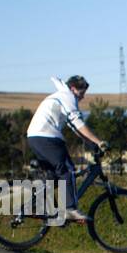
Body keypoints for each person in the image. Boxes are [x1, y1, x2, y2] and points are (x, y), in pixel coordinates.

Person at [26, 75, 107, 222]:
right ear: (73, 89)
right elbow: (78, 123)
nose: (82, 97)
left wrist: (90, 143)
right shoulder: (68, 97)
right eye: (81, 93)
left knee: (53, 177)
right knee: (67, 170)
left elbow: (74, 127)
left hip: (34, 136)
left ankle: (33, 205)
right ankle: (70, 209)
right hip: (47, 136)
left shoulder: (60, 96)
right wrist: (98, 142)